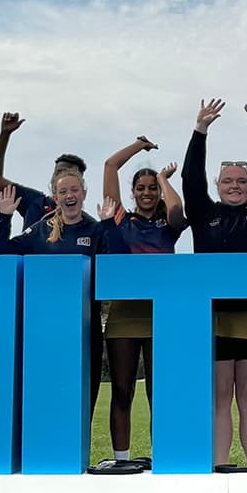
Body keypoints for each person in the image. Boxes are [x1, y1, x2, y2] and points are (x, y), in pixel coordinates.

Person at [185, 90, 247, 471]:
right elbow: (191, 177)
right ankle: (217, 467)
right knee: (218, 400)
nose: (234, 185)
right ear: (217, 185)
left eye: (241, 180)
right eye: (227, 180)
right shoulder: (203, 214)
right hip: (213, 320)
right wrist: (200, 131)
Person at [0, 166, 111, 458]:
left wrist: (110, 227)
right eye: (63, 191)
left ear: (84, 193)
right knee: (48, 394)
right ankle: (44, 454)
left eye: (74, 190)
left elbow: (114, 274)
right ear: (54, 196)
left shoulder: (96, 230)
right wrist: (4, 217)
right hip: (46, 332)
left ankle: (76, 457)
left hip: (85, 330)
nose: (69, 195)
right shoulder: (41, 230)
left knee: (85, 395)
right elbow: (0, 253)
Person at [93, 137, 188, 473]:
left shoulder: (167, 226)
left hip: (162, 316)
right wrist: (138, 146)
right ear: (132, 192)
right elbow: (109, 166)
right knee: (122, 388)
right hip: (124, 316)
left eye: (152, 188)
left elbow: (177, 212)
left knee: (158, 390)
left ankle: (163, 453)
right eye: (141, 187)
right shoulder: (121, 220)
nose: (147, 193)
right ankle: (121, 459)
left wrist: (164, 180)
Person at [0, 111, 83, 228]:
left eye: (69, 175)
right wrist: (5, 134)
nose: (63, 178)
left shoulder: (89, 226)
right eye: (58, 173)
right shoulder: (34, 201)